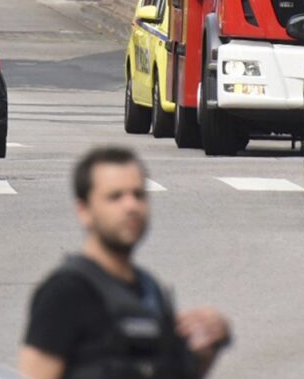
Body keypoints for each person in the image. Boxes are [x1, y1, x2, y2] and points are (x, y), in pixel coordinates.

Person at [19, 147, 231, 379]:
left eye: (138, 195)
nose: (131, 206)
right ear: (84, 211)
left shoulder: (151, 291)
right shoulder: (64, 294)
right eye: (115, 196)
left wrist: (207, 346)